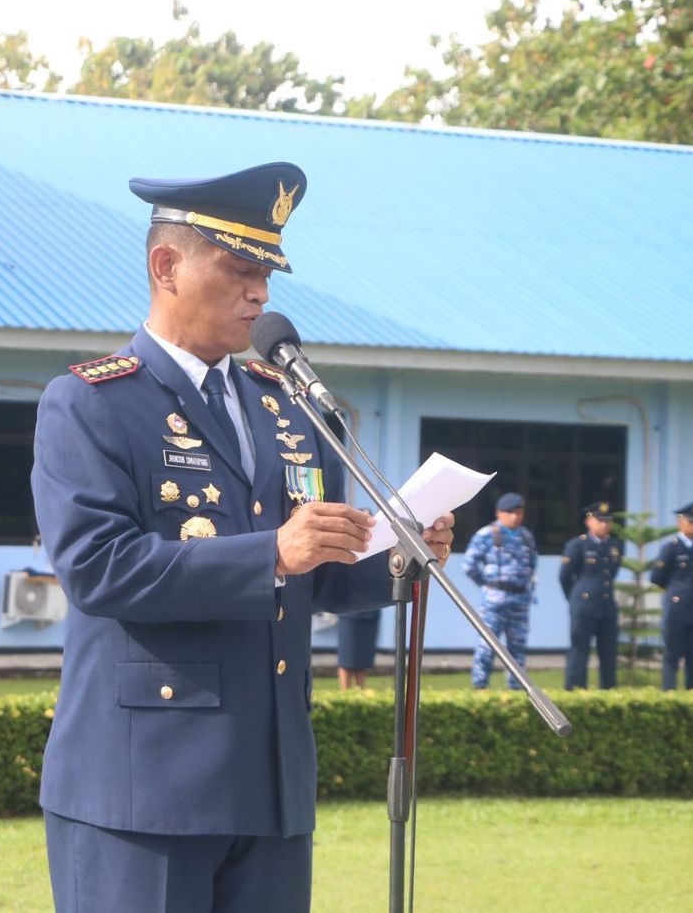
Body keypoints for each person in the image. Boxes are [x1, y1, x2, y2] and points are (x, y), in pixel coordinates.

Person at [30, 162, 456, 912]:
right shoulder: (91, 403)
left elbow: (314, 571)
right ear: (166, 265)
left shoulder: (287, 408)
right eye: (240, 269)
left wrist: (399, 554)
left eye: (268, 274)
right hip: (144, 788)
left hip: (271, 779)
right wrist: (272, 552)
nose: (260, 293)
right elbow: (98, 568)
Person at [462, 492, 538, 689]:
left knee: (518, 649)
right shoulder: (487, 534)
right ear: (499, 513)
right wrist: (487, 586)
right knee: (487, 646)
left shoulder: (526, 536)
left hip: (519, 600)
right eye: (510, 512)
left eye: (519, 512)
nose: (515, 517)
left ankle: (517, 689)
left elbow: (531, 564)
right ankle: (480, 687)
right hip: (494, 601)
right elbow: (469, 566)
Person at [558, 501, 622, 690]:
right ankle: (575, 689)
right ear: (589, 521)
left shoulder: (615, 546)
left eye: (607, 521)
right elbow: (564, 577)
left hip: (606, 606)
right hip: (584, 605)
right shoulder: (578, 545)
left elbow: (612, 573)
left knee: (608, 652)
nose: (604, 524)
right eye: (599, 520)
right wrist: (575, 599)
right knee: (579, 651)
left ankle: (608, 690)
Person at [650, 501, 693, 690]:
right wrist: (675, 590)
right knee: (672, 654)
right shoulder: (671, 547)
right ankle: (669, 691)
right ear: (680, 523)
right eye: (691, 521)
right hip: (676, 606)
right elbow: (657, 577)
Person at [336, 610, 381, 690]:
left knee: (363, 661)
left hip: (371, 614)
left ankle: (361, 693)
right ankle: (345, 695)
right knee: (346, 660)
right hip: (349, 613)